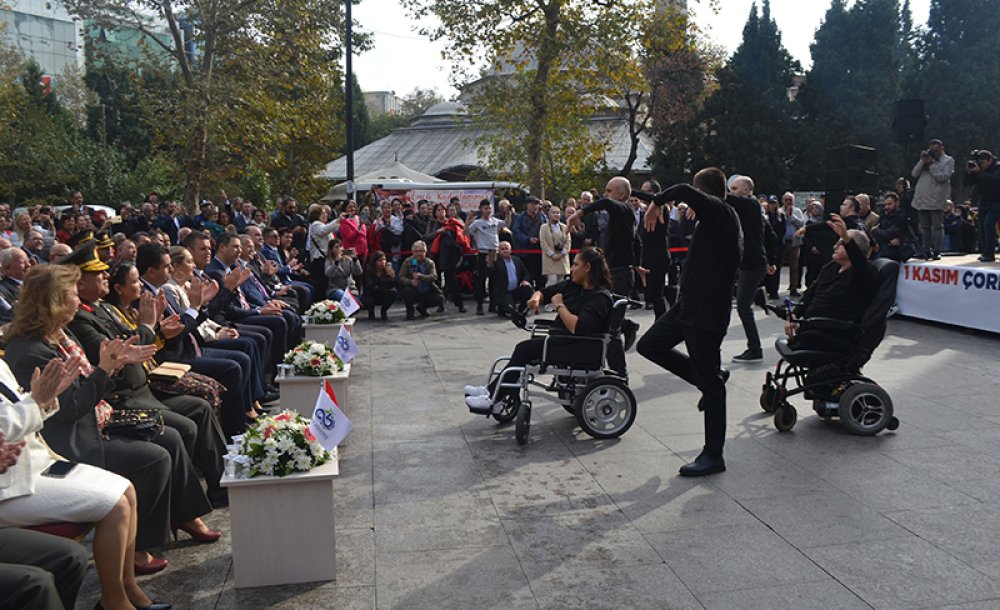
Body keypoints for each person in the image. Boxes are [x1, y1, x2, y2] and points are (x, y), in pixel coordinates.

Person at [3, 264, 218, 577]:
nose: (78, 301)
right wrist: (105, 369)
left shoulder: (59, 335)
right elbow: (70, 409)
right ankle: (137, 546)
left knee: (170, 436)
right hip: (71, 440)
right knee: (153, 457)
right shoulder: (29, 351)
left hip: (94, 419)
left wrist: (113, 364)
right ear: (54, 301)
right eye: (73, 295)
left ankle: (183, 516)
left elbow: (88, 383)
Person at [0, 357, 171, 610]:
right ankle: (113, 600)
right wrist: (36, 402)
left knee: (126, 489)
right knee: (115, 506)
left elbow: (23, 411)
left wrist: (45, 399)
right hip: (10, 485)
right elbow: (5, 428)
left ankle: (127, 585)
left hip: (34, 463)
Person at [636, 168, 742, 477]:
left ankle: (713, 455)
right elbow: (682, 193)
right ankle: (707, 378)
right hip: (687, 306)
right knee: (649, 345)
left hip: (706, 313)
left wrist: (657, 202)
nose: (687, 208)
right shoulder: (713, 217)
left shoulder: (721, 212)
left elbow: (682, 189)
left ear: (704, 195)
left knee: (711, 388)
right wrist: (644, 197)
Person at [464, 247, 614, 414]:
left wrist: (559, 305)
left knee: (524, 349)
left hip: (578, 346)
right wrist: (536, 299)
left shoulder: (599, 297)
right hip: (563, 341)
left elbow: (578, 327)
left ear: (587, 268)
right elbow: (543, 292)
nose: (571, 269)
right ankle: (493, 391)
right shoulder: (573, 286)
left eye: (575, 265)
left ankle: (492, 396)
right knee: (523, 352)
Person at [784, 215, 878, 356]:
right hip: (814, 327)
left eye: (840, 244)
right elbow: (811, 292)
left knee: (807, 337)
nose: (834, 246)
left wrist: (846, 238)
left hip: (836, 332)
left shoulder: (864, 273)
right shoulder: (831, 267)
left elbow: (859, 262)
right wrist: (794, 315)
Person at [727, 175, 777, 362]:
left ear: (747, 190)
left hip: (752, 264)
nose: (732, 192)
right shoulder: (747, 210)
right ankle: (758, 295)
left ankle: (755, 349)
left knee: (742, 307)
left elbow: (727, 198)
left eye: (734, 188)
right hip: (748, 263)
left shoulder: (751, 204)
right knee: (739, 299)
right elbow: (771, 236)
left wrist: (708, 189)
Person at [568, 177, 636, 296]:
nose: (605, 194)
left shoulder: (626, 209)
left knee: (615, 311)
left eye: (609, 191)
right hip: (611, 269)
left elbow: (606, 202)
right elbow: (637, 240)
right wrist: (638, 264)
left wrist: (578, 213)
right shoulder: (617, 216)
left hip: (620, 273)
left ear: (621, 195)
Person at [911, 138, 955, 260]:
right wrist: (922, 161)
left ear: (942, 148)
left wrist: (932, 165)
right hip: (921, 197)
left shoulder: (948, 161)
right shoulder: (926, 159)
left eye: (936, 150)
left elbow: (943, 177)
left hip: (936, 198)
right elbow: (914, 174)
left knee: (937, 226)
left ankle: (937, 250)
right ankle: (925, 249)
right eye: (932, 150)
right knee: (924, 226)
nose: (934, 153)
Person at [465, 199, 504, 315]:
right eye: (486, 208)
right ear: (481, 209)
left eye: (490, 208)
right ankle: (480, 305)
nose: (488, 210)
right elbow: (465, 232)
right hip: (483, 252)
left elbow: (507, 223)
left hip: (494, 252)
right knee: (480, 280)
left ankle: (493, 304)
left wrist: (508, 212)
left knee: (494, 280)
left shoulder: (495, 221)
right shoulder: (478, 222)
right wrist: (468, 219)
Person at [963, 150, 1000, 262]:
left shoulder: (997, 168)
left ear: (990, 161)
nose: (981, 165)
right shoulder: (978, 170)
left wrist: (979, 172)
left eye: (983, 163)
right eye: (980, 163)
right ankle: (985, 251)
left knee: (989, 224)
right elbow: (967, 184)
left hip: (997, 201)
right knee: (982, 227)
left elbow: (994, 182)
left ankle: (990, 253)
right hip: (984, 202)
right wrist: (969, 172)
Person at [398, 240, 443, 320]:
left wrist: (421, 277)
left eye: (421, 251)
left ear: (425, 252)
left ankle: (422, 307)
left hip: (426, 289)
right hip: (413, 289)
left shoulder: (430, 262)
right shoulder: (408, 262)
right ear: (412, 252)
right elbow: (401, 277)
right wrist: (410, 282)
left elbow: (434, 276)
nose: (418, 254)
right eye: (416, 251)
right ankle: (410, 311)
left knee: (439, 298)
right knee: (408, 291)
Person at [489, 241, 534, 317]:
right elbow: (489, 273)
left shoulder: (517, 260)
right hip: (504, 293)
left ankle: (522, 308)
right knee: (510, 311)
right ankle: (503, 308)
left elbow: (526, 272)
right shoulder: (496, 262)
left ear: (510, 250)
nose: (505, 250)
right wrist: (489, 265)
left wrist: (525, 280)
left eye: (506, 248)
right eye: (502, 249)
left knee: (527, 288)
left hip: (516, 290)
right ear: (499, 251)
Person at [871, 192, 916, 262]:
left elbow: (889, 234)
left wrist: (876, 231)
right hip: (882, 252)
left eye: (889, 204)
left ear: (897, 203)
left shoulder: (902, 217)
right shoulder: (883, 216)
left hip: (895, 254)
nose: (886, 207)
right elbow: (875, 234)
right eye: (885, 205)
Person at [539, 204, 571, 288]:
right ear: (549, 214)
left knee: (561, 283)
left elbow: (568, 242)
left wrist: (562, 253)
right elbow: (543, 242)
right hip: (550, 258)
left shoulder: (564, 227)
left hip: (562, 258)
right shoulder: (544, 227)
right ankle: (548, 299)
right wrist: (552, 254)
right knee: (552, 281)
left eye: (558, 213)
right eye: (553, 212)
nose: (556, 214)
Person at [362, 251, 396, 321]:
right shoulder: (369, 271)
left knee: (393, 293)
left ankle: (383, 311)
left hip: (383, 293)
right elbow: (369, 287)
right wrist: (381, 284)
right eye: (380, 260)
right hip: (371, 295)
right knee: (368, 300)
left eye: (384, 260)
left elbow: (392, 286)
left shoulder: (387, 271)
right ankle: (371, 312)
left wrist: (392, 277)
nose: (383, 262)